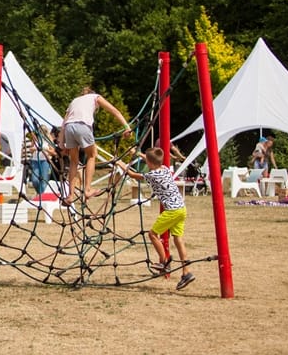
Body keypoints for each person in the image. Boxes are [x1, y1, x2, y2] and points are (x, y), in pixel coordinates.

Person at [117, 147, 195, 290]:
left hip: (172, 210)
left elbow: (133, 175)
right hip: (181, 208)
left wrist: (120, 164)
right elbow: (151, 159)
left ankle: (164, 262)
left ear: (150, 163)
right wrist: (138, 154)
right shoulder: (164, 169)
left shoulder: (152, 175)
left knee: (152, 234)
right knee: (178, 239)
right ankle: (186, 272)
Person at [58, 86, 131, 202]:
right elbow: (114, 111)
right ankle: (87, 190)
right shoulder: (95, 97)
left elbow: (64, 123)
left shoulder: (74, 101)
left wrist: (61, 142)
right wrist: (127, 127)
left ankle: (70, 195)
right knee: (92, 155)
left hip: (69, 128)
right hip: (83, 125)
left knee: (73, 161)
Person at [23, 124, 56, 195]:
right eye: (40, 131)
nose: (41, 133)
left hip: (45, 161)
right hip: (35, 160)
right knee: (34, 180)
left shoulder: (49, 139)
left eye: (43, 131)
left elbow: (53, 152)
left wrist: (45, 149)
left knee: (44, 181)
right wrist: (34, 149)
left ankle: (41, 195)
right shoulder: (35, 138)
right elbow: (31, 149)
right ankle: (40, 193)